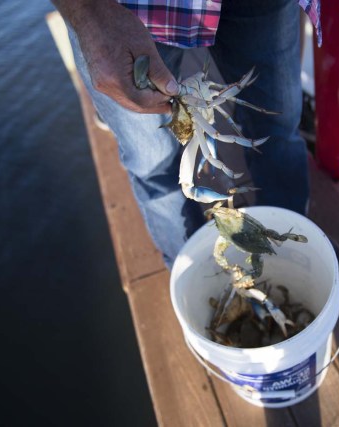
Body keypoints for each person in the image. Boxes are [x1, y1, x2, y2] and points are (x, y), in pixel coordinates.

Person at [52, 0, 322, 268]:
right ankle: (193, 270)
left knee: (277, 126)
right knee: (153, 163)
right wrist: (88, 12)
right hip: (127, 10)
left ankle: (289, 246)